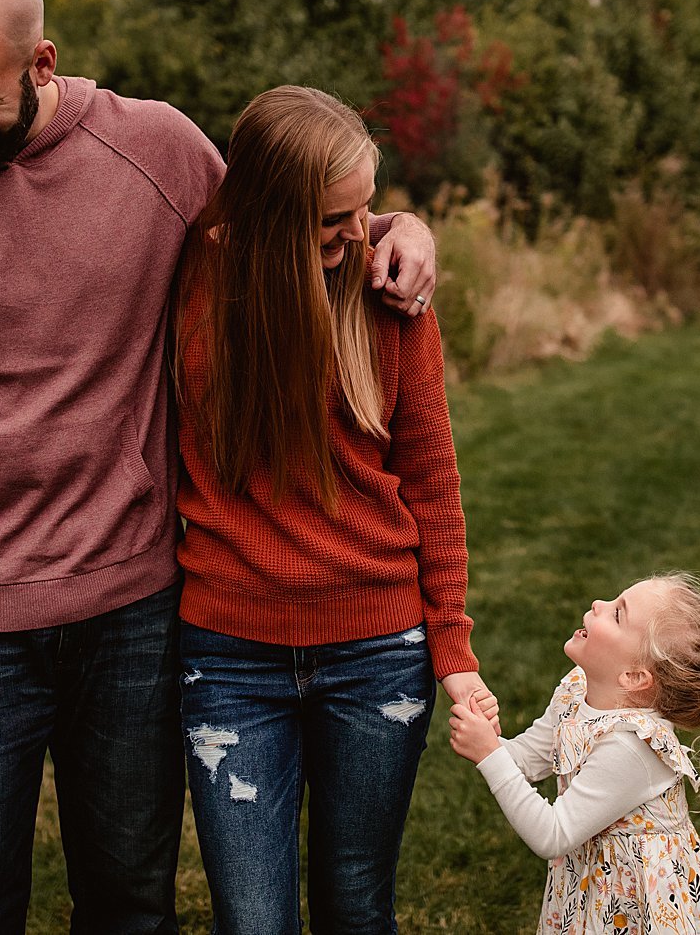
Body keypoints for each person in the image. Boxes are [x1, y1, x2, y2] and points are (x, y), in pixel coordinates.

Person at [0, 0, 438, 933]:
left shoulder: (156, 150)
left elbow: (289, 218)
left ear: (41, 62)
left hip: (135, 612)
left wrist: (400, 227)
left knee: (130, 907)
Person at [170, 85, 489, 932]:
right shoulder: (190, 286)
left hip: (378, 653)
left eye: (369, 209)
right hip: (230, 660)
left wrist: (450, 643)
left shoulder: (387, 298)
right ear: (269, 218)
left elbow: (433, 480)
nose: (358, 233)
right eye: (331, 220)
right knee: (252, 918)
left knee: (355, 902)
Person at [447, 572, 700, 935]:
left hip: (641, 905)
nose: (598, 605)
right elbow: (526, 760)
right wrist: (489, 736)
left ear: (634, 677)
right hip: (593, 886)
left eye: (617, 614)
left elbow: (552, 835)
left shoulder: (632, 746)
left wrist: (488, 755)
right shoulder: (577, 689)